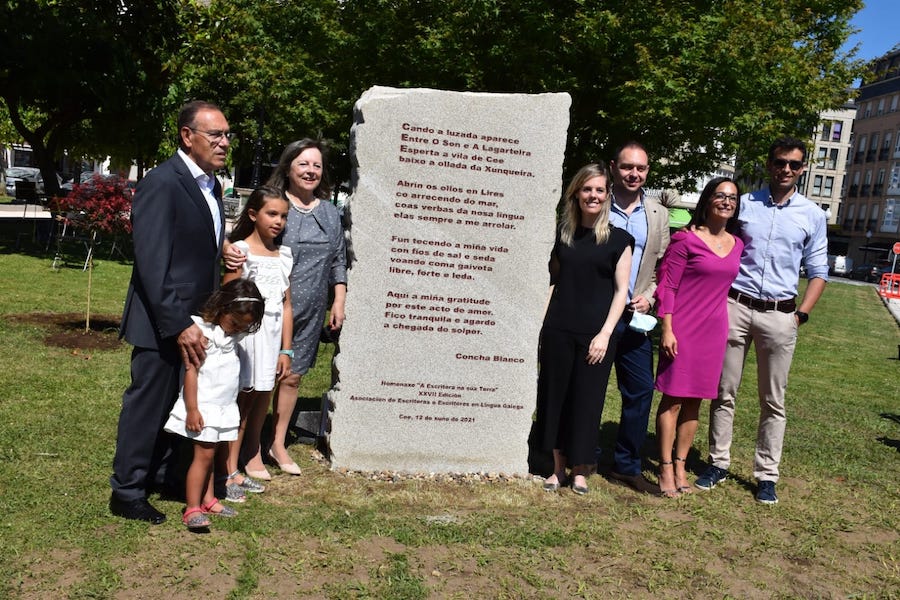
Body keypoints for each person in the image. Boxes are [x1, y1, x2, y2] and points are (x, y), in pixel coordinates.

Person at [110, 100, 232, 523]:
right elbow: (152, 261)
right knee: (148, 404)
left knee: (178, 403)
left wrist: (223, 251)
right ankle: (127, 491)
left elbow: (196, 244)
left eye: (227, 135)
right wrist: (178, 323)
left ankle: (163, 476)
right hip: (162, 320)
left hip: (197, 318)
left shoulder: (212, 186)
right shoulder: (163, 182)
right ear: (187, 136)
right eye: (215, 134)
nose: (224, 142)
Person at [695, 136, 828, 504]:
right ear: (769, 165)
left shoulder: (812, 215)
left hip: (781, 315)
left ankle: (767, 475)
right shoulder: (745, 205)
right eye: (780, 162)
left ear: (802, 169)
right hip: (735, 307)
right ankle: (718, 462)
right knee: (724, 391)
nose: (786, 169)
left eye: (794, 164)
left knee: (773, 400)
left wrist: (801, 315)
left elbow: (819, 271)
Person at [227, 138, 347, 476]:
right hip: (270, 309)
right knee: (258, 382)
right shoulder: (275, 204)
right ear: (289, 167)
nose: (310, 171)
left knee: (292, 378)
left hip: (309, 310)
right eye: (303, 164)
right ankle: (246, 447)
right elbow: (244, 242)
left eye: (316, 165)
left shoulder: (329, 212)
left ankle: (276, 443)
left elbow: (338, 259)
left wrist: (338, 299)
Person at [535, 164, 633, 496]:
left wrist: (605, 334)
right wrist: (541, 327)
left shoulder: (619, 240)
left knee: (586, 402)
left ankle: (580, 470)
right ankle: (557, 469)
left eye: (599, 190)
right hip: (559, 329)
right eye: (587, 189)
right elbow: (553, 281)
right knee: (555, 398)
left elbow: (621, 292)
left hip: (596, 334)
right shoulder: (562, 236)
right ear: (576, 193)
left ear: (607, 195)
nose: (593, 195)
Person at [653, 178, 743, 497]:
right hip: (682, 329)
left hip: (714, 332)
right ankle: (664, 467)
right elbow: (668, 286)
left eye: (732, 198)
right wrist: (667, 329)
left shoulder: (737, 244)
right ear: (707, 200)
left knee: (695, 401)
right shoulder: (685, 239)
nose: (726, 201)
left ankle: (680, 465)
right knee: (673, 399)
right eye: (720, 195)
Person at [163, 279, 265, 530]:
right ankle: (192, 507)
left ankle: (209, 499)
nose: (237, 329)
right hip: (204, 407)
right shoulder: (203, 335)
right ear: (222, 308)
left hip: (223, 407)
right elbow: (191, 372)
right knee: (203, 457)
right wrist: (192, 409)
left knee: (213, 454)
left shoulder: (232, 338)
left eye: (243, 326)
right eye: (235, 323)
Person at [605, 141, 671, 494]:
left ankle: (626, 465)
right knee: (588, 387)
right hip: (598, 314)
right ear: (613, 167)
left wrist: (651, 296)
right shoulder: (597, 201)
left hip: (635, 317)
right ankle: (578, 455)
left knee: (641, 389)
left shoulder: (657, 214)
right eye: (627, 167)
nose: (634, 174)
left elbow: (662, 267)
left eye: (641, 168)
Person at [221, 186, 293, 498]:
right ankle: (226, 472)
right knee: (237, 405)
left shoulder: (284, 255)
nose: (278, 221)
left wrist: (285, 349)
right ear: (253, 214)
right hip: (247, 340)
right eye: (272, 214)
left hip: (271, 341)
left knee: (251, 406)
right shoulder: (240, 251)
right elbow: (228, 296)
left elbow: (286, 305)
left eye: (283, 216)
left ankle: (236, 467)